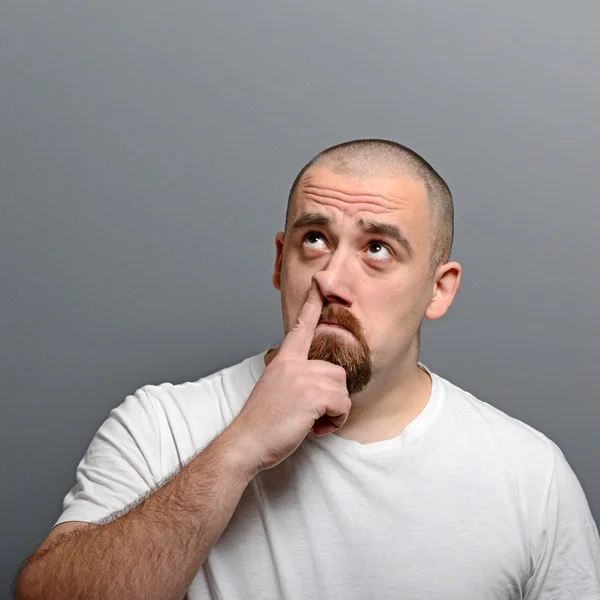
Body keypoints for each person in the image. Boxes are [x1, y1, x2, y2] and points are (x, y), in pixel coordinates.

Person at [16, 139, 600, 600]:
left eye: (378, 249)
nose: (332, 280)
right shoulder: (161, 423)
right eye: (315, 239)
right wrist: (239, 448)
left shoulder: (530, 476)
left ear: (438, 289)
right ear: (280, 262)